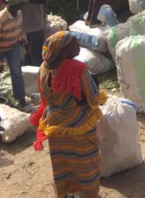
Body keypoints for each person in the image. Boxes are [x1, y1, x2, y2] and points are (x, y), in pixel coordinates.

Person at [30, 32, 107, 198]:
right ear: (64, 51)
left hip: (55, 127)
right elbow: (93, 97)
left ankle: (65, 194)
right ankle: (89, 194)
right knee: (87, 164)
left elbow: (44, 97)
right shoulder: (76, 69)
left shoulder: (43, 68)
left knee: (63, 165)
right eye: (74, 44)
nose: (79, 46)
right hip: (79, 127)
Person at [0, 0, 30, 108]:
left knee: (17, 72)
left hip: (13, 46)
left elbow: (18, 30)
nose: (24, 5)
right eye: (22, 3)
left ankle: (20, 98)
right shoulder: (0, 19)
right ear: (16, 5)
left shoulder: (18, 13)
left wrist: (25, 43)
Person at [15, 0, 48, 67]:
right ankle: (38, 73)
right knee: (37, 52)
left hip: (29, 23)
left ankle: (28, 71)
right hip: (33, 24)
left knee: (30, 51)